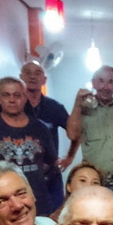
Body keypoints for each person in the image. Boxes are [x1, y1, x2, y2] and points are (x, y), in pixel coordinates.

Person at [0, 77, 58, 216]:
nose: (12, 100)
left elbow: (50, 161)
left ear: (25, 97)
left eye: (17, 95)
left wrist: (32, 173)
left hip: (37, 202)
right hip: (2, 204)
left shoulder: (40, 128)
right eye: (6, 95)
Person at [66, 65, 113, 186]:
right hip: (94, 181)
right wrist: (77, 104)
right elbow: (72, 135)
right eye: (100, 81)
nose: (105, 87)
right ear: (93, 83)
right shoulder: (82, 110)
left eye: (110, 82)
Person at [18, 61, 75, 210]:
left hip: (50, 178)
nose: (32, 77)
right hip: (20, 177)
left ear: (44, 80)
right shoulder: (12, 107)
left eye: (37, 73)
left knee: (54, 218)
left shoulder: (54, 107)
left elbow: (75, 132)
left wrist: (70, 157)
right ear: (21, 77)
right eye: (28, 73)